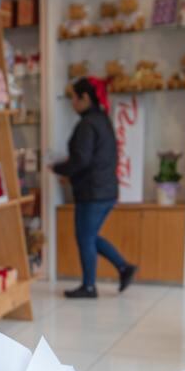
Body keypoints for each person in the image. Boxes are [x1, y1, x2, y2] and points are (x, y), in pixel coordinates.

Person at [51, 78, 136, 298]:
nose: (72, 103)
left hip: (93, 192)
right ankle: (123, 267)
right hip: (105, 190)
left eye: (74, 98)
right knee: (89, 236)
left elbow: (81, 160)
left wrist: (58, 168)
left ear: (85, 98)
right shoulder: (101, 120)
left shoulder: (87, 124)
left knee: (86, 238)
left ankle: (89, 286)